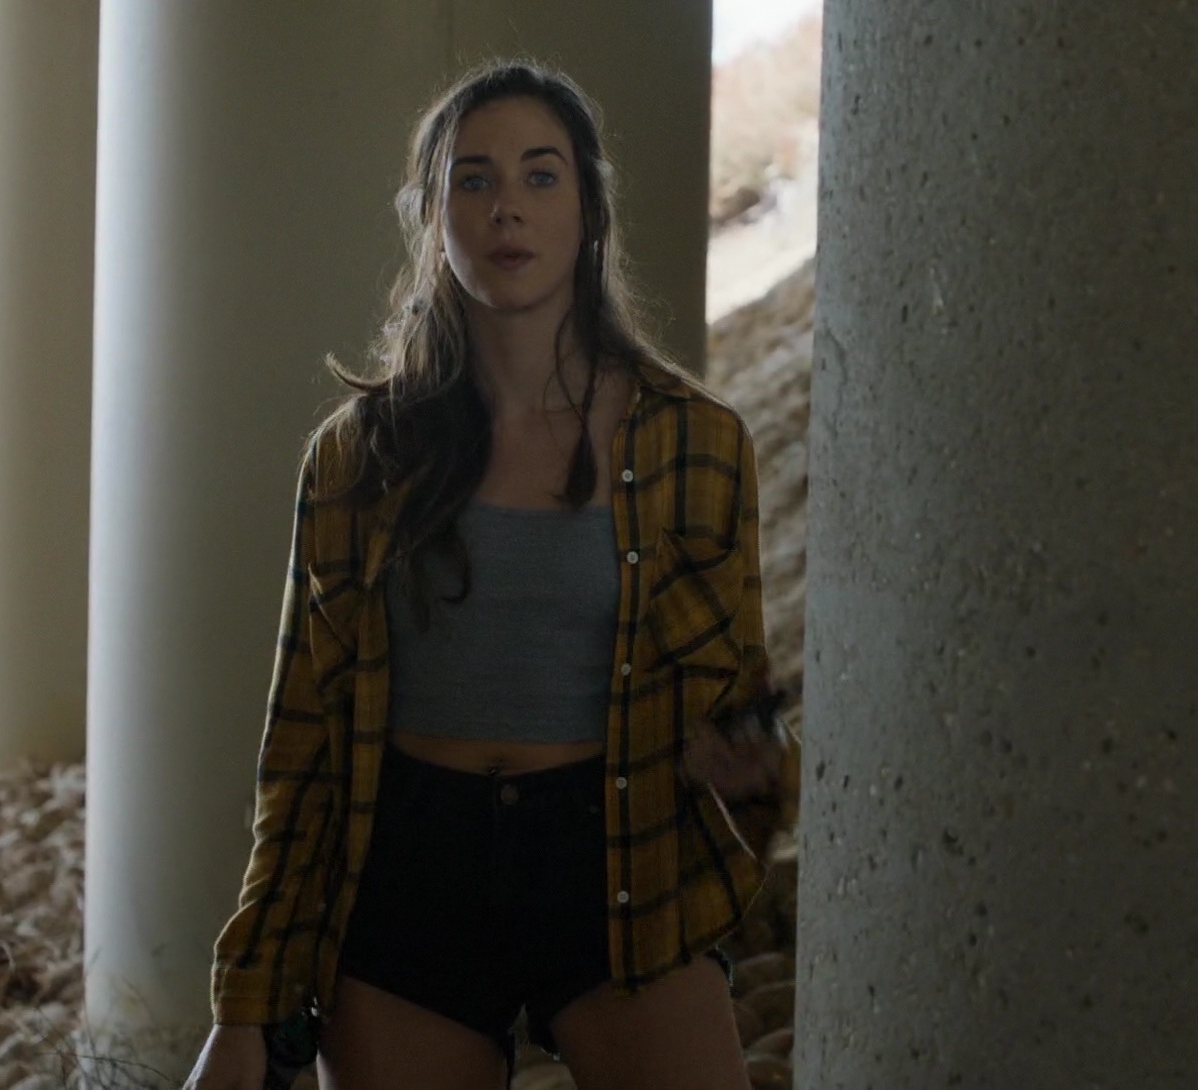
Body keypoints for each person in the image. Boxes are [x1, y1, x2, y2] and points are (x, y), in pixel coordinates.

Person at [181, 59, 789, 1090]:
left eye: (541, 175)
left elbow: (740, 713)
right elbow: (302, 747)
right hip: (411, 872)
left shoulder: (698, 444)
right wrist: (243, 1005)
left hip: (616, 864)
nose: (508, 206)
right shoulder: (358, 456)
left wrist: (756, 769)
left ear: (589, 210)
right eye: (474, 179)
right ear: (433, 219)